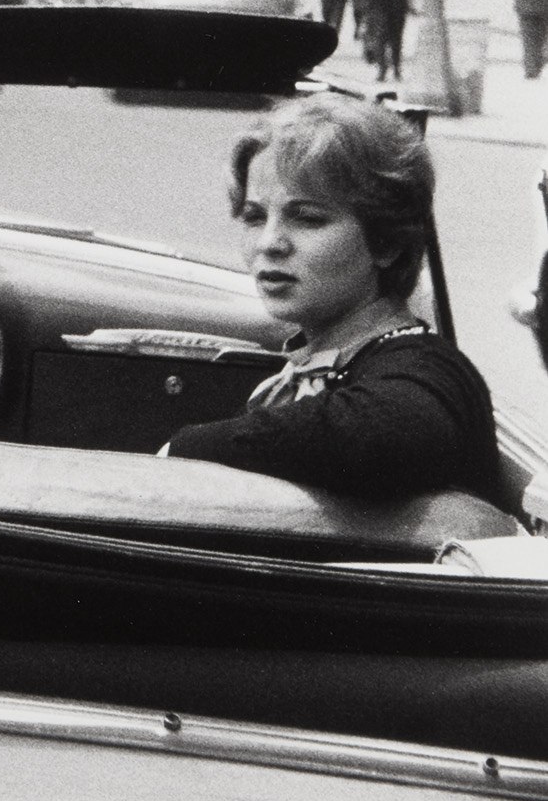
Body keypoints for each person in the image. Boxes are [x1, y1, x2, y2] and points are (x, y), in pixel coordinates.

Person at [166, 93, 503, 505]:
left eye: (307, 218)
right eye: (255, 217)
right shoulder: (329, 359)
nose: (270, 243)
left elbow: (384, 433)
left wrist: (187, 448)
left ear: (387, 243)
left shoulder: (428, 368)